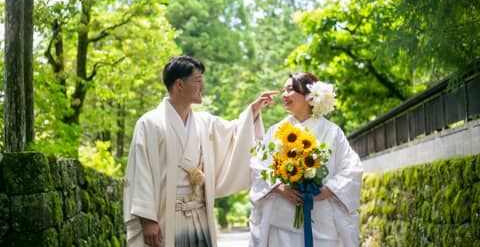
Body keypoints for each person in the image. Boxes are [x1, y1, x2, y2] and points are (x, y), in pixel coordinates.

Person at [123, 55, 278, 247]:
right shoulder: (150, 123)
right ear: (179, 84)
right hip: (165, 214)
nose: (202, 87)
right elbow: (141, 172)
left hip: (199, 212)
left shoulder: (204, 122)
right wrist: (148, 220)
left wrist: (253, 110)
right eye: (197, 80)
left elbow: (234, 133)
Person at [249, 72, 363, 247]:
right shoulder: (276, 131)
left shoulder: (332, 131)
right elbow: (258, 166)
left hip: (321, 216)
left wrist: (327, 190)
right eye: (283, 90)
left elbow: (351, 169)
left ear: (309, 96)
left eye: (290, 89)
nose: (284, 95)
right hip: (284, 218)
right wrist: (279, 187)